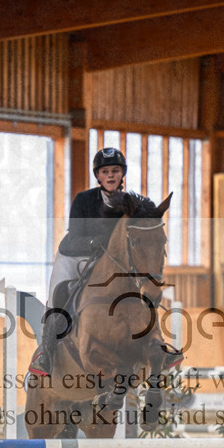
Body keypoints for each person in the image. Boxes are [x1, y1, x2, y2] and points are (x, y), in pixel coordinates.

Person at [28, 147, 181, 377]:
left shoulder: (134, 205)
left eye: (115, 171)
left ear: (122, 175)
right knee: (59, 294)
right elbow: (75, 234)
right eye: (105, 171)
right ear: (98, 176)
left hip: (111, 262)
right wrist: (97, 241)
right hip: (74, 255)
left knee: (141, 291)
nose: (110, 175)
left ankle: (157, 344)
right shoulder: (84, 200)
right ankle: (46, 352)